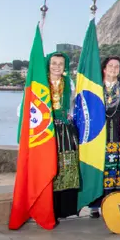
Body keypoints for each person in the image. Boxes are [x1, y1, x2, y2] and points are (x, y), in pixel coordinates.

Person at [90, 56, 120, 218]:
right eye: (110, 66)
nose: (114, 69)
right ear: (104, 68)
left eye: (117, 66)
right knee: (101, 164)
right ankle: (96, 204)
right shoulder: (96, 85)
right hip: (101, 129)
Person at [48, 52, 80, 219]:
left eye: (60, 63)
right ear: (48, 64)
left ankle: (64, 208)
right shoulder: (41, 82)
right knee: (49, 167)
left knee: (66, 166)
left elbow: (73, 106)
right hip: (47, 130)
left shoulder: (69, 83)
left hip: (65, 131)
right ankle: (48, 206)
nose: (57, 66)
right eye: (54, 63)